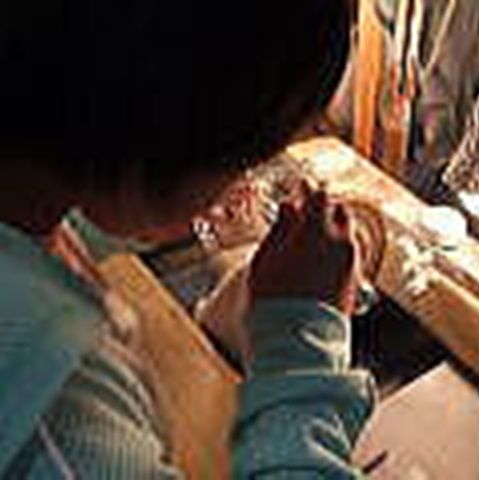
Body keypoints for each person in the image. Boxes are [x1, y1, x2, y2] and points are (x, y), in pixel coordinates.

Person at [0, 1, 374, 478]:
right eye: (245, 157)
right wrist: (300, 337)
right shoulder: (55, 418)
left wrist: (158, 204)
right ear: (161, 122)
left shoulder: (29, 187)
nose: (241, 181)